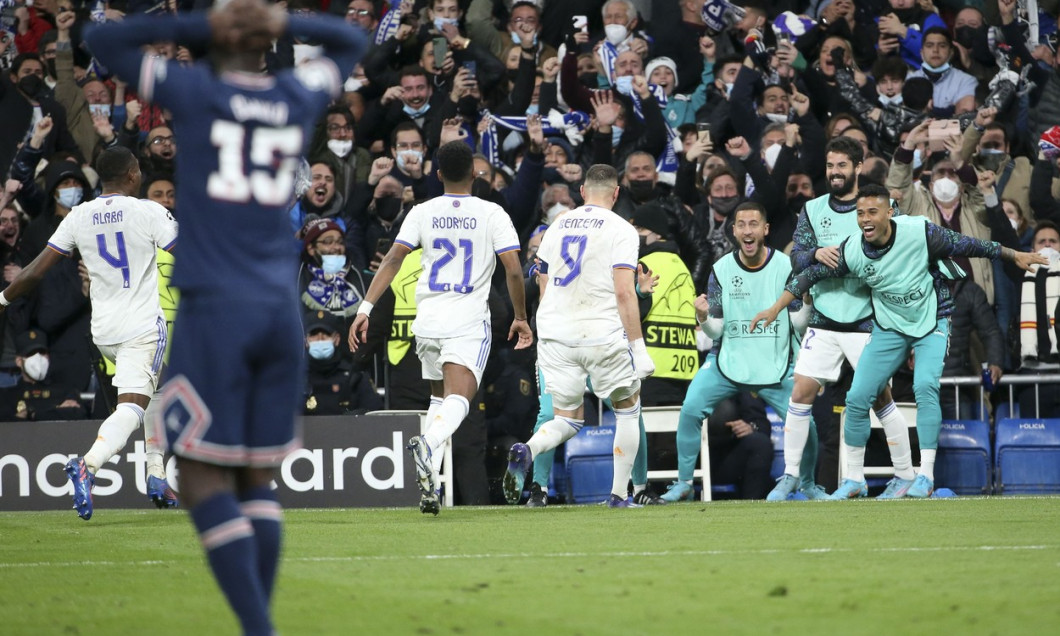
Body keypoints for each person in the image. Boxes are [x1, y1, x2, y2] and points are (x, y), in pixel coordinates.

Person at [84, 3, 366, 633]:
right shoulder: (296, 92)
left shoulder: (194, 88)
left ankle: (257, 629)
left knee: (203, 476)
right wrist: (279, 21)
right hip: (277, 309)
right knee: (257, 480)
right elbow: (350, 37)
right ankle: (257, 622)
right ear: (267, 44)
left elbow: (100, 36)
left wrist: (206, 28)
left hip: (215, 307)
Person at [754, 184, 1046, 499]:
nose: (865, 218)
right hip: (890, 327)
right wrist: (774, 309)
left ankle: (925, 477)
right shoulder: (852, 249)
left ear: (890, 212)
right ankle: (854, 480)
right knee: (856, 397)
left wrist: (1014, 254)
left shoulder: (919, 232)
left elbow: (971, 244)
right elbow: (809, 275)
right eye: (860, 212)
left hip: (932, 322)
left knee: (924, 388)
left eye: (872, 211)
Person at [350, 139, 532, 515]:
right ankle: (429, 444)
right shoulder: (491, 213)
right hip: (466, 318)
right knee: (461, 399)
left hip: (427, 319)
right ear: (474, 174)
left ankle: (429, 481)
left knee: (437, 398)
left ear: (437, 174)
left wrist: (365, 307)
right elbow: (514, 268)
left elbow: (393, 260)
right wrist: (520, 316)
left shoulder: (422, 210)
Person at [0, 146, 178, 516]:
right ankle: (88, 464)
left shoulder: (80, 216)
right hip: (142, 327)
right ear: (132, 175)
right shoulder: (149, 211)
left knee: (157, 387)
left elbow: (35, 269)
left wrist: (1, 299)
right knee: (134, 405)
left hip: (103, 331)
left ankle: (156, 475)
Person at [768, 137, 915, 502]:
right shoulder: (813, 209)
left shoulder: (878, 207)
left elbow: (898, 252)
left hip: (868, 319)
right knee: (800, 392)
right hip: (823, 318)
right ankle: (790, 476)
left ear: (858, 166)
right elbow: (796, 257)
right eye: (830, 165)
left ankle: (905, 476)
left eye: (842, 166)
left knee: (881, 399)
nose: (835, 172)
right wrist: (817, 252)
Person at [502, 164, 655, 509]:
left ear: (582, 192)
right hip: (601, 332)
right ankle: (618, 495)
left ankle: (529, 449)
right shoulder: (622, 229)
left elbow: (542, 283)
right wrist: (638, 347)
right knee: (628, 410)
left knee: (567, 418)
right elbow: (623, 293)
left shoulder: (556, 226)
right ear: (615, 193)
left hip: (555, 333)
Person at [658, 202, 820, 502]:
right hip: (728, 364)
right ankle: (683, 483)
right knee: (691, 409)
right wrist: (704, 318)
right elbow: (716, 332)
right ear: (733, 231)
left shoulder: (786, 267)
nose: (747, 230)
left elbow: (797, 325)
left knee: (806, 424)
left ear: (765, 230)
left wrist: (807, 303)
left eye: (753, 224)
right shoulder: (720, 269)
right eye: (741, 224)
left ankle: (808, 484)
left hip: (775, 363)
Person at [0, 328, 86, 421]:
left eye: (42, 353)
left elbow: (78, 414)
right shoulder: (8, 395)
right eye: (31, 354)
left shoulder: (64, 390)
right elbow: (5, 422)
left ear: (48, 357)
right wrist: (55, 410)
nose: (38, 358)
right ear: (19, 361)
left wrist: (30, 413)